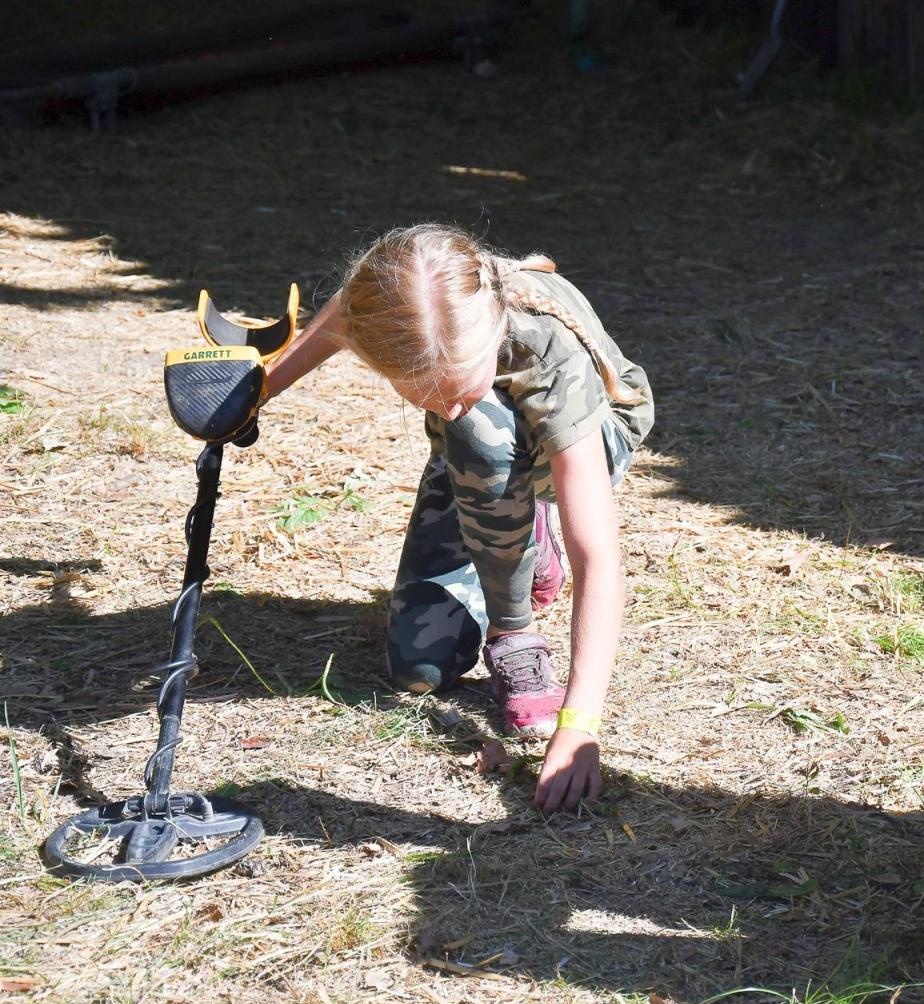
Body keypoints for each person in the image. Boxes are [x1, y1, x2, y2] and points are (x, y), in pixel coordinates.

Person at [264, 224, 654, 814]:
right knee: (420, 668)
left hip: (585, 444)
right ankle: (510, 522)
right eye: (424, 391)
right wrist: (255, 395)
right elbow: (347, 308)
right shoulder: (393, 309)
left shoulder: (547, 348)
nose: (443, 406)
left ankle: (513, 630)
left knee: (474, 427)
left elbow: (598, 558)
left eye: (456, 383)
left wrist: (580, 724)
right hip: (480, 457)